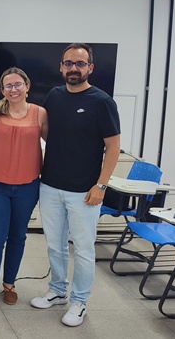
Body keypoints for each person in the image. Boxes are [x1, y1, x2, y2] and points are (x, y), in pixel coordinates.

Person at [30, 43, 120, 327]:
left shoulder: (102, 101)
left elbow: (114, 147)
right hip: (51, 186)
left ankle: (80, 301)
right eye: (68, 63)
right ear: (61, 66)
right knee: (54, 246)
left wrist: (101, 186)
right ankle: (58, 291)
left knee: (82, 249)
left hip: (85, 192)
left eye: (80, 64)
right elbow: (48, 133)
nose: (73, 68)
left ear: (90, 68)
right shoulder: (54, 96)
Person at [0, 67, 47, 313]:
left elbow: (53, 141)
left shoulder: (40, 114)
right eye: (8, 86)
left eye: (18, 84)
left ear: (27, 86)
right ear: (2, 90)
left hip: (28, 185)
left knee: (18, 236)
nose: (13, 89)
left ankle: (9, 284)